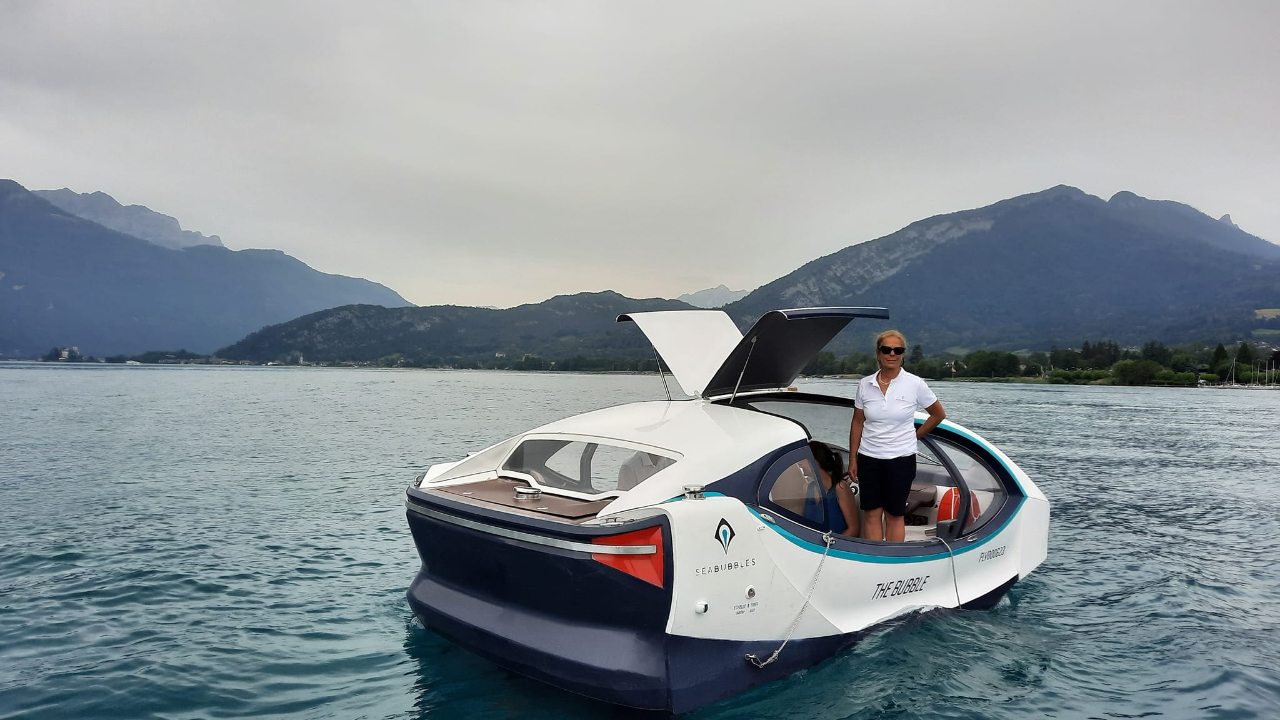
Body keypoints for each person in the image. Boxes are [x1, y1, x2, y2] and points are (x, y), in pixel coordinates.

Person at [849, 330, 946, 542]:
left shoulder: (915, 384)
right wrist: (853, 458)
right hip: (869, 458)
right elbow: (858, 421)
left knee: (894, 514)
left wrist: (916, 436)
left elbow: (938, 414)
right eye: (887, 349)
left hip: (901, 460)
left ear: (903, 354)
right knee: (872, 513)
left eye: (897, 350)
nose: (892, 354)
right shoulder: (865, 384)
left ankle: (892, 560)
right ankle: (875, 559)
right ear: (878, 353)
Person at [806, 440, 861, 538]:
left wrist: (831, 545)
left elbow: (853, 529)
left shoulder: (840, 488)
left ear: (815, 462)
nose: (799, 464)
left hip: (833, 548)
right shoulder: (809, 488)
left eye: (802, 460)